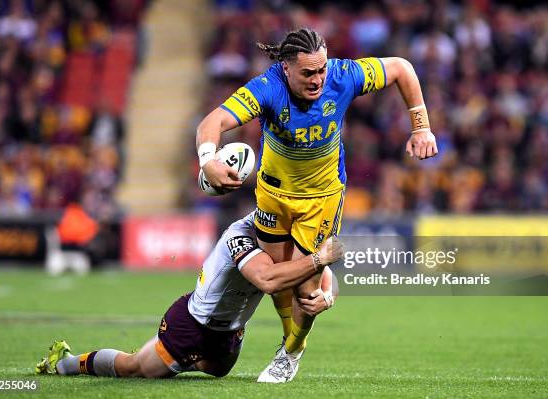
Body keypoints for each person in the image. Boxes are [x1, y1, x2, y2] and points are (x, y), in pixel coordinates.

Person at [196, 28, 438, 383]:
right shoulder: (267, 88)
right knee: (279, 282)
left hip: (321, 200)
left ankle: (292, 351)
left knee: (306, 291)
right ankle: (288, 341)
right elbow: (212, 122)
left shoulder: (344, 76)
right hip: (274, 196)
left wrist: (421, 128)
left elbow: (402, 68)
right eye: (308, 73)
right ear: (286, 68)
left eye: (321, 69)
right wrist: (208, 159)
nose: (318, 79)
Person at [34, 212, 342, 379]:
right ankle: (67, 362)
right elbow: (268, 280)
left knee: (219, 371)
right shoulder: (240, 235)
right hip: (192, 325)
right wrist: (318, 259)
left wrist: (328, 295)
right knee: (135, 369)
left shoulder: (286, 238)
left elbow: (321, 278)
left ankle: (170, 358)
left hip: (230, 331)